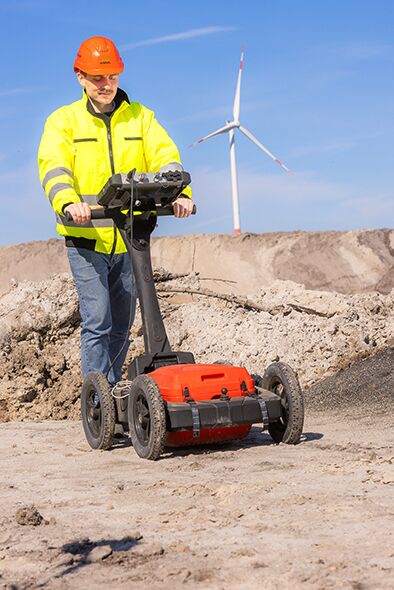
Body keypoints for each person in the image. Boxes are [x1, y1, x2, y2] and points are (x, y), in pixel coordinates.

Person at [38, 36, 193, 386]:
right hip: (86, 236)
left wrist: (180, 194)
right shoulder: (64, 122)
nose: (105, 84)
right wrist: (68, 202)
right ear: (80, 77)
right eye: (97, 78)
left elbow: (166, 156)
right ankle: (99, 398)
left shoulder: (140, 118)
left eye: (111, 77)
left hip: (128, 236)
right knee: (98, 320)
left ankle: (114, 392)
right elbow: (54, 167)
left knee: (123, 324)